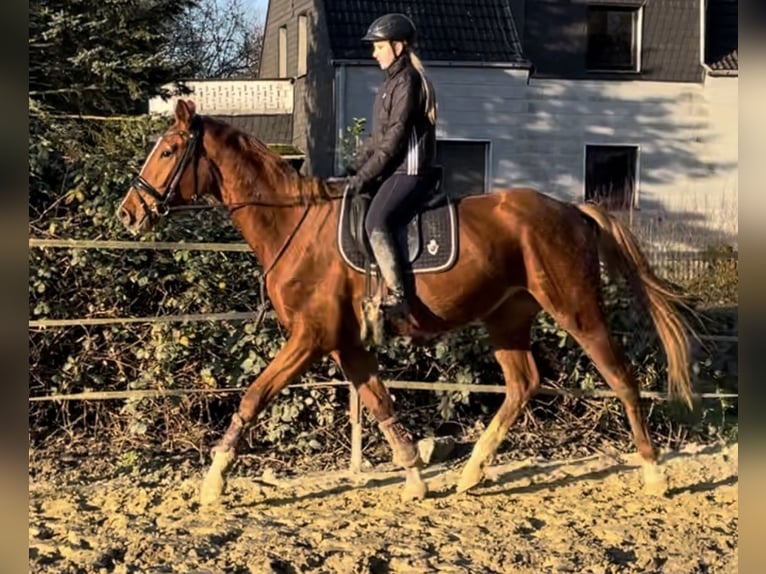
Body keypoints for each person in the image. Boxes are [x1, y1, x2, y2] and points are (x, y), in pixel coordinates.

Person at [346, 13, 438, 322]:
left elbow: (395, 139)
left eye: (379, 47)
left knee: (376, 219)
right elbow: (376, 138)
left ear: (398, 47)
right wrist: (351, 170)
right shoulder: (391, 84)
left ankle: (399, 295)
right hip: (395, 169)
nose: (374, 53)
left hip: (411, 170)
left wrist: (365, 176)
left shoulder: (408, 81)